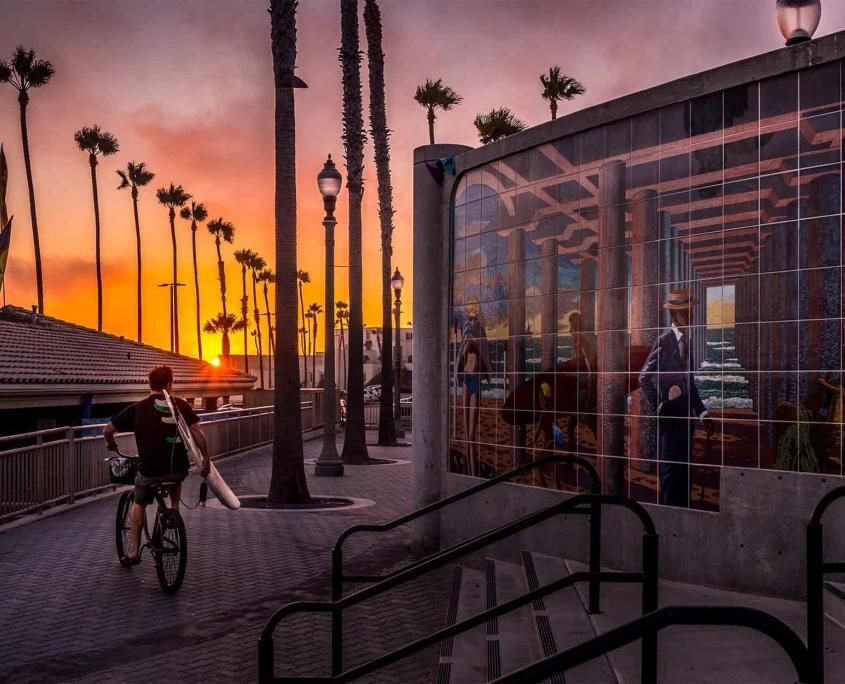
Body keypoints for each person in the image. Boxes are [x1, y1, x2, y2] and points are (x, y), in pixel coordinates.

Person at [104, 365, 210, 566]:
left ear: (149, 384)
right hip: (178, 470)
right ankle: (174, 510)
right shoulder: (180, 405)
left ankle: (134, 551)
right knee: (174, 477)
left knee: (139, 502)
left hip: (150, 471)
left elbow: (107, 430)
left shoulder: (137, 409)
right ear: (170, 384)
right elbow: (196, 431)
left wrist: (111, 443)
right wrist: (206, 460)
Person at [638, 289, 713, 507]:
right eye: (685, 313)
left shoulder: (686, 342)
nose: (690, 317)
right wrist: (659, 404)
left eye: (691, 312)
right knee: (671, 474)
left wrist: (702, 413)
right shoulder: (664, 341)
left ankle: (684, 512)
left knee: (685, 472)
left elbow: (689, 384)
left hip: (685, 423)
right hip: (670, 422)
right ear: (675, 315)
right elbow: (643, 377)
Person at [455, 308, 491, 476]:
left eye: (475, 318)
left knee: (471, 434)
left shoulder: (480, 341)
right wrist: (466, 337)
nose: (472, 321)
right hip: (466, 383)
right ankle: (470, 472)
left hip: (476, 383)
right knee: (466, 431)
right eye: (470, 318)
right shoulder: (467, 340)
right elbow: (460, 358)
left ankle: (474, 473)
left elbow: (485, 357)